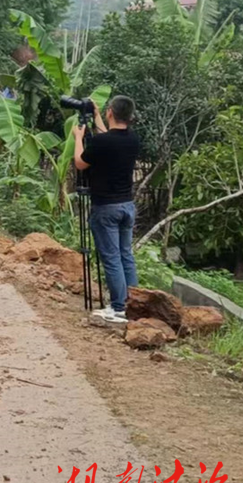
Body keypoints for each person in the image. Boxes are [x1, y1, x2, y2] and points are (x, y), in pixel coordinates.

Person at [73, 95, 141, 324]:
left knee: (111, 258)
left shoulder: (102, 143)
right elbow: (108, 137)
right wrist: (97, 116)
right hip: (127, 206)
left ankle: (118, 307)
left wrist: (78, 138)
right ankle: (134, 303)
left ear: (111, 112)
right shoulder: (133, 140)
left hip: (106, 208)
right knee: (125, 256)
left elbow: (80, 162)